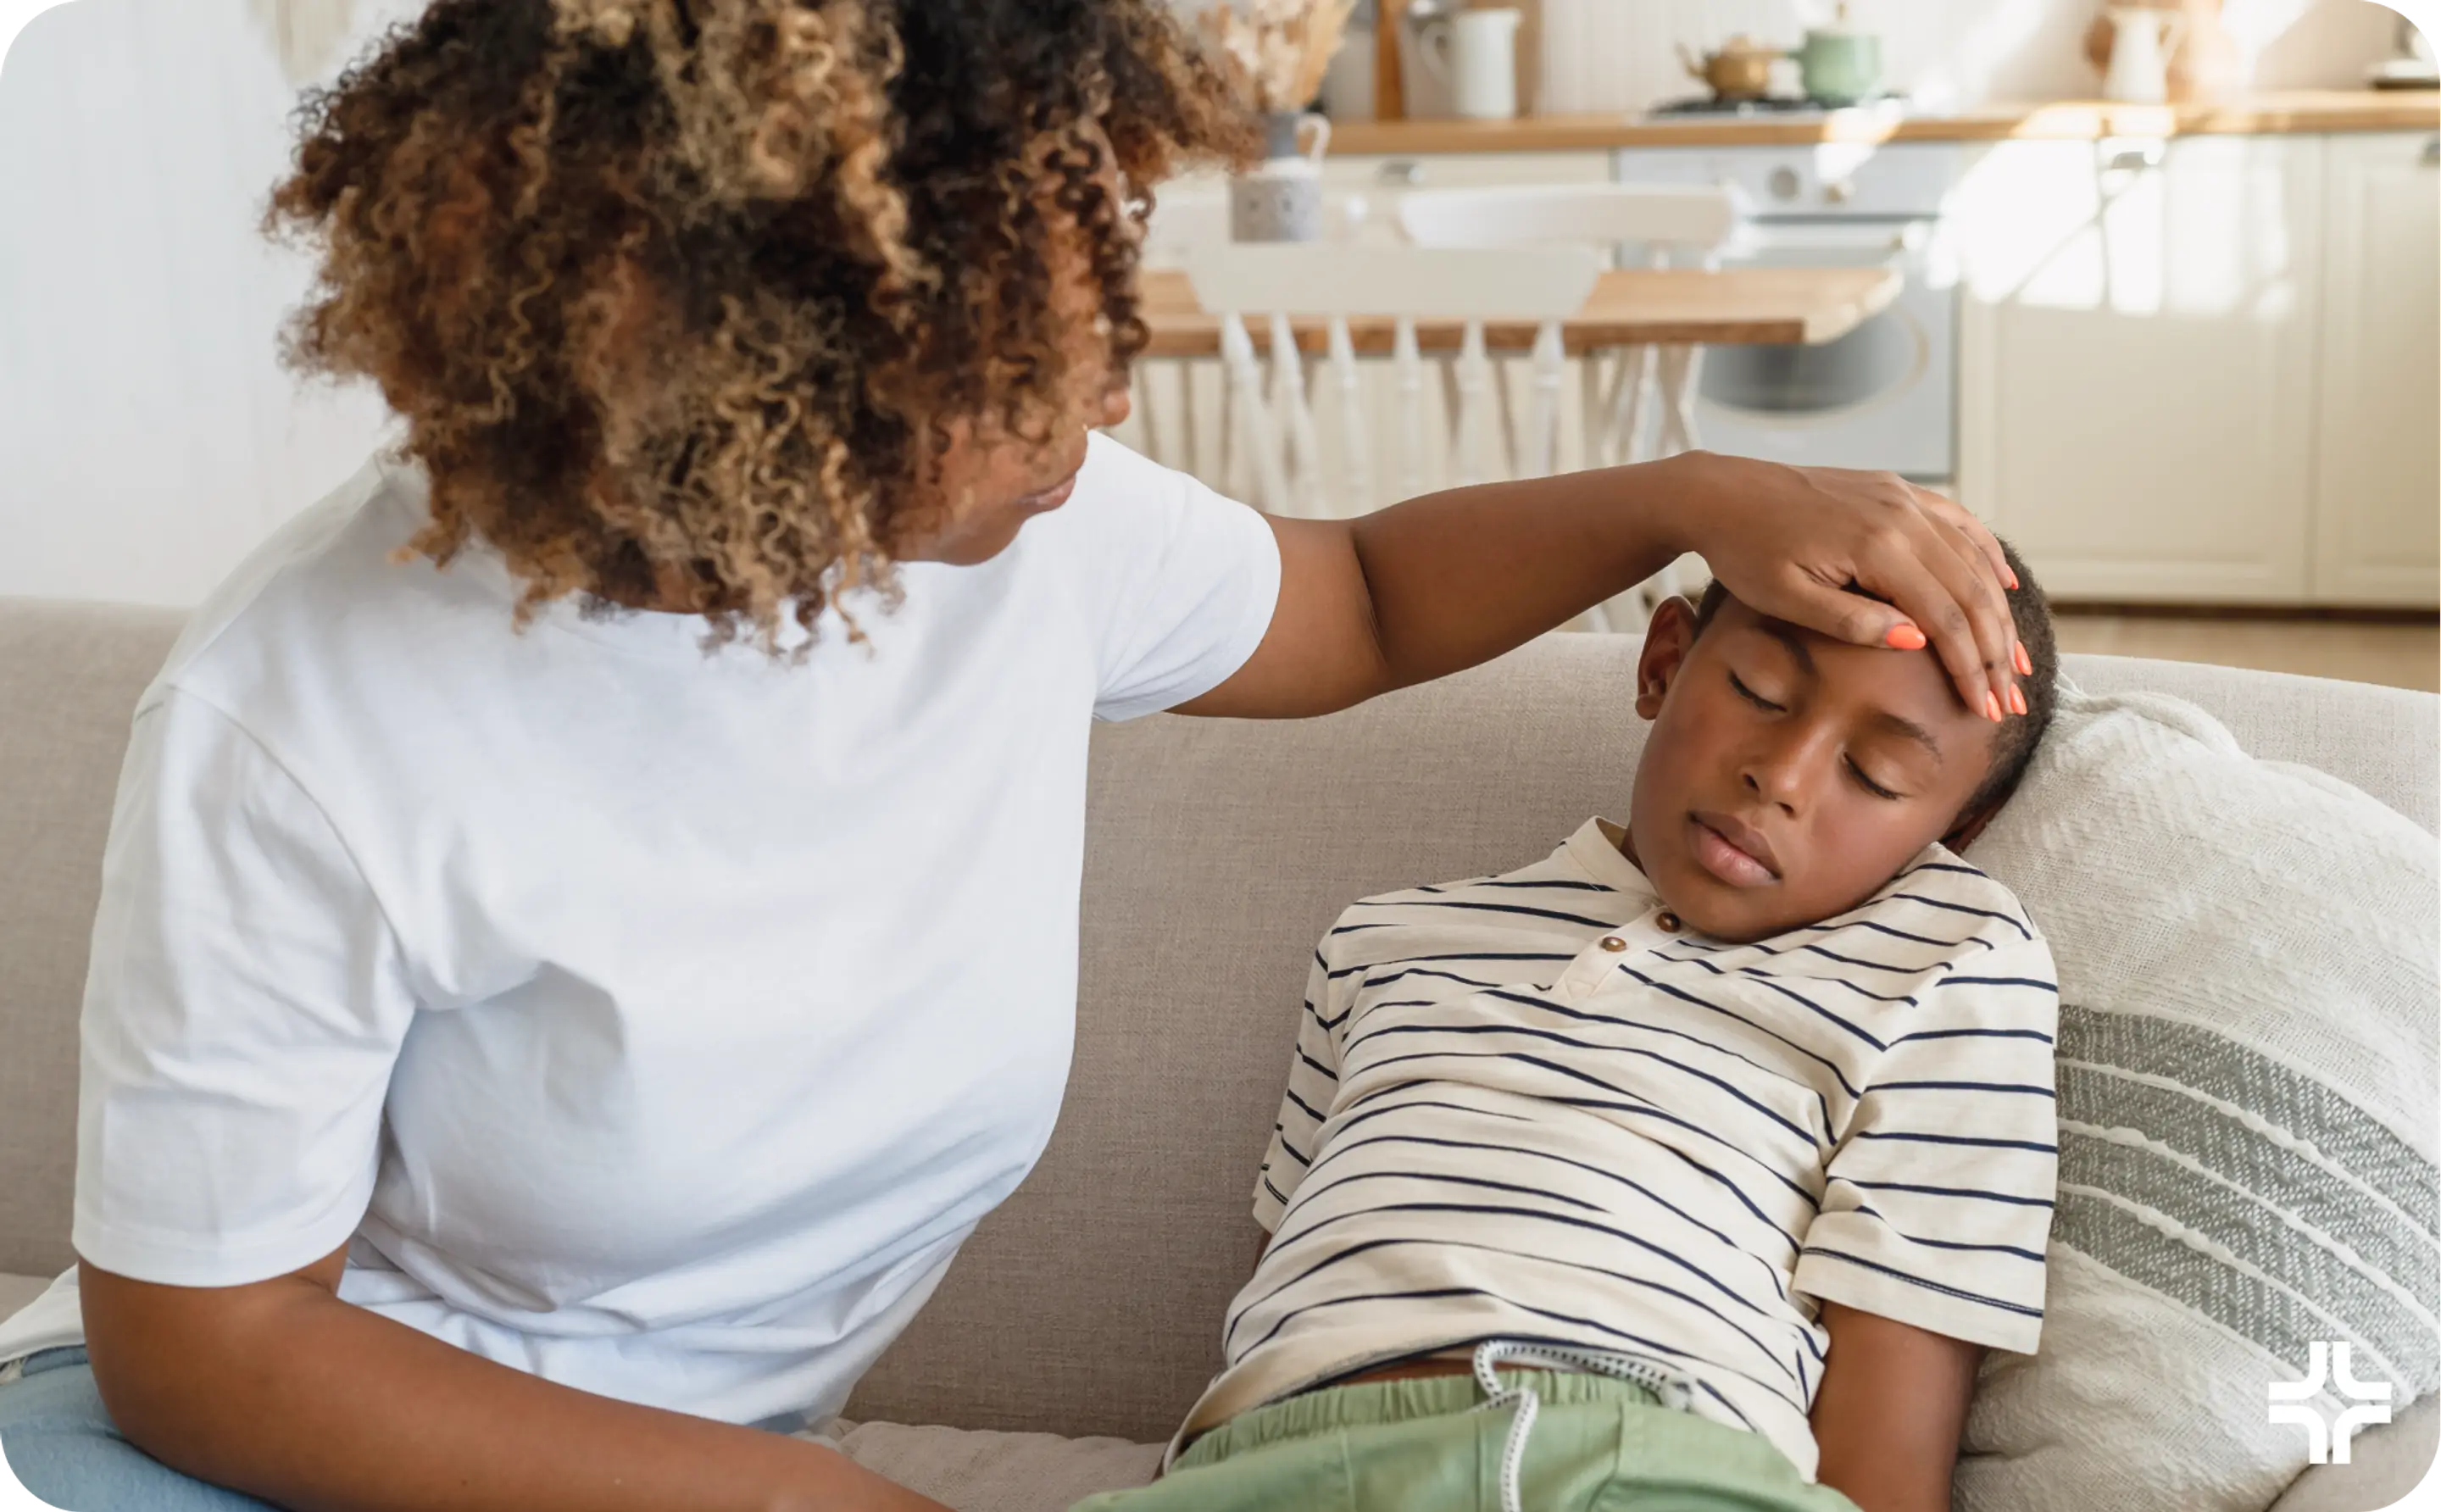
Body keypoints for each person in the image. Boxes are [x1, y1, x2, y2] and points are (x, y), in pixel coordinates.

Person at [0, 3, 2032, 1510]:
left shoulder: (1017, 545)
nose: (1103, 396)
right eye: (1029, 368)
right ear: (777, 406)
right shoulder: (302, 714)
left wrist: (1693, 488)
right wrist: (822, 1498)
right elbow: (213, 1345)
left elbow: (1362, 599)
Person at [1080, 561, 2061, 1512]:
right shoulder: (1382, 940)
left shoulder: (1949, 960)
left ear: (1959, 826)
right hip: (1281, 1455)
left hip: (1642, 1452)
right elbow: (1282, 1302)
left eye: (1876, 773)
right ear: (1663, 661)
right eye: (1760, 690)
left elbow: (1888, 1461)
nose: (1784, 775)